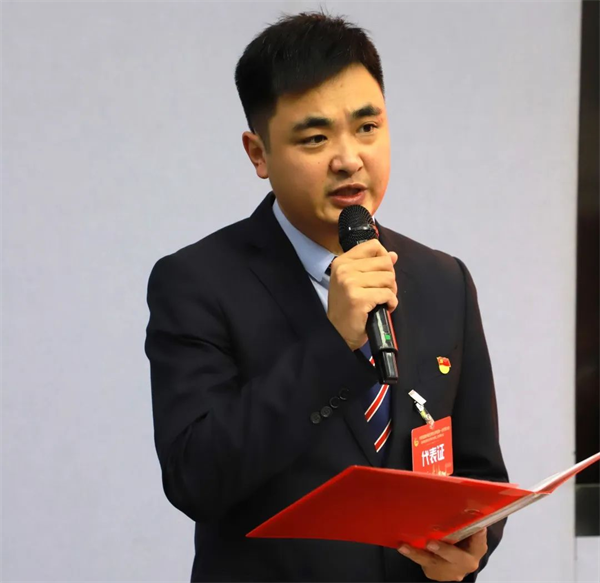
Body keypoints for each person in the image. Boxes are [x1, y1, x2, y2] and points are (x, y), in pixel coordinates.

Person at [145, 10, 509, 583]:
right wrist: (333, 341)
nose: (349, 158)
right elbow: (197, 478)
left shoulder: (444, 280)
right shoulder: (197, 282)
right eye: (315, 138)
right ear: (258, 153)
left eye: (368, 127)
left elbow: (478, 474)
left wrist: (472, 551)